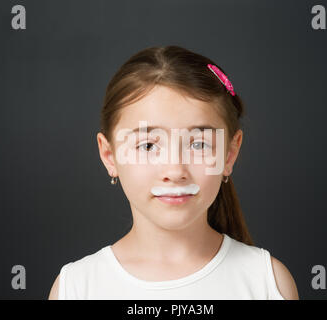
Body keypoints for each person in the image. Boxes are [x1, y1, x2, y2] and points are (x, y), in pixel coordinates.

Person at [48, 45, 299, 300]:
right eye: (148, 145)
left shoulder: (267, 282)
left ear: (229, 154)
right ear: (110, 156)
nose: (175, 170)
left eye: (199, 144)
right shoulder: (77, 288)